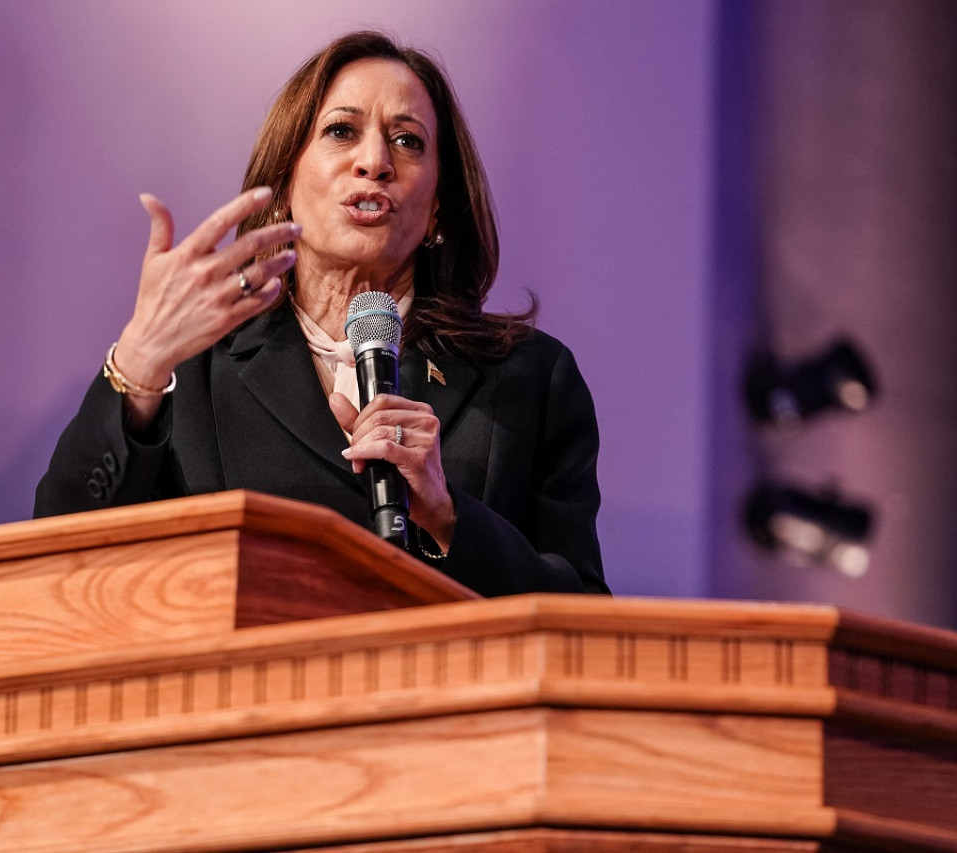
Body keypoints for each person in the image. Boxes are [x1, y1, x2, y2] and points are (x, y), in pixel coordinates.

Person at [35, 31, 608, 597]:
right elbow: (59, 564)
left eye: (408, 142)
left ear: (437, 207)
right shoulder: (194, 371)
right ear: (285, 182)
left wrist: (448, 515)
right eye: (341, 131)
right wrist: (139, 360)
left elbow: (580, 624)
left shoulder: (529, 379)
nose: (375, 161)